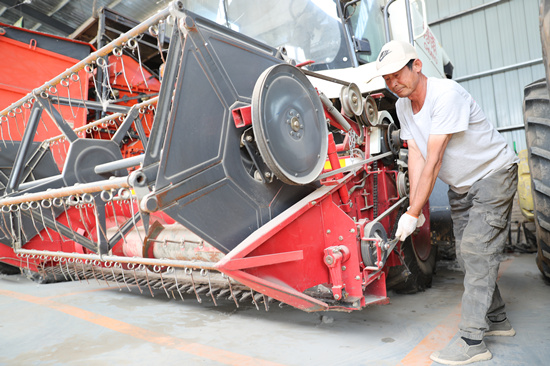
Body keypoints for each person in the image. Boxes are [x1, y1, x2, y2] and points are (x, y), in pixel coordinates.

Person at [374, 40, 519, 365]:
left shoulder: (446, 95)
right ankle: (498, 320)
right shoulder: (401, 107)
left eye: (397, 74)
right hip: (462, 186)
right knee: (470, 257)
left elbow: (435, 160)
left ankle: (472, 342)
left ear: (417, 66)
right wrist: (416, 205)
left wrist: (412, 213)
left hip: (493, 174)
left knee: (476, 251)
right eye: (387, 79)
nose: (393, 83)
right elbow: (416, 154)